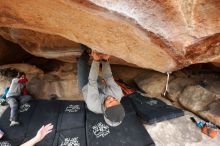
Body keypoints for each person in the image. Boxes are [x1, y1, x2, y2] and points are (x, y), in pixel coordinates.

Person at [77, 45, 125, 127]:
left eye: (110, 102)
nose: (111, 98)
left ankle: (85, 52)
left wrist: (96, 61)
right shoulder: (118, 93)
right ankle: (89, 63)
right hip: (99, 83)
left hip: (87, 87)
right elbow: (108, 77)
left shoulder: (93, 105)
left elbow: (92, 82)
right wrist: (105, 60)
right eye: (115, 100)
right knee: (90, 69)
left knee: (81, 63)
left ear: (105, 109)